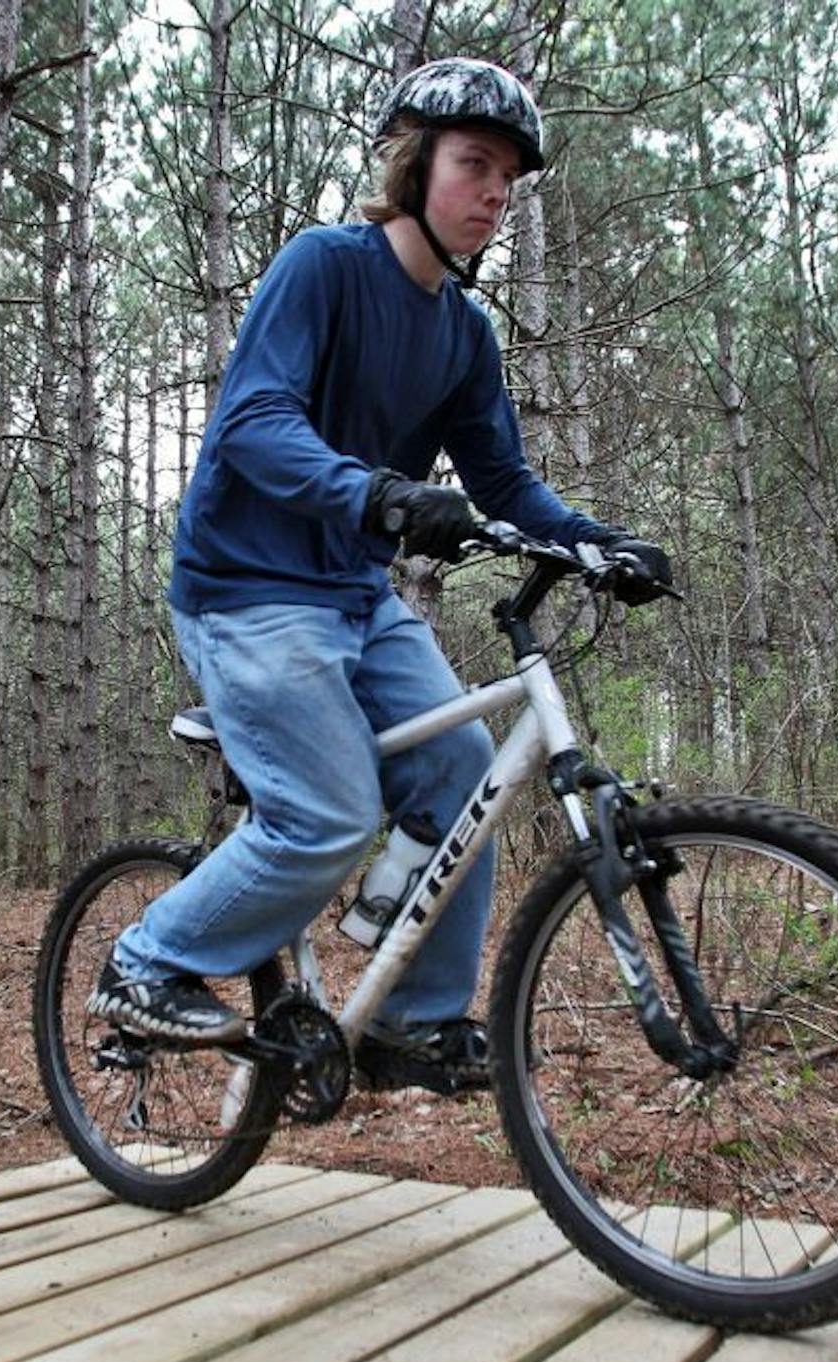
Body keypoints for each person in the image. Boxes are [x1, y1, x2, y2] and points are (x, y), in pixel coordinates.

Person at [89, 58, 673, 1094]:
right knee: (327, 812)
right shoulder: (325, 267)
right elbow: (253, 421)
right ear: (413, 165)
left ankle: (413, 1022)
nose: (495, 194)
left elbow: (503, 482)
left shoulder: (464, 333)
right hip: (247, 588)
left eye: (508, 179)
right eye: (475, 165)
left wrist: (598, 542)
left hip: (356, 596)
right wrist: (381, 494)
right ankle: (145, 962)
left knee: (462, 776)